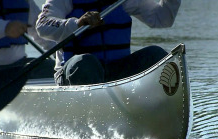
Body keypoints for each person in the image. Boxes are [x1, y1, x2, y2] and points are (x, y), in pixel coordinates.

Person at [36, 0, 181, 85]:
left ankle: (157, 108)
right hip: (73, 73)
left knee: (157, 56)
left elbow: (162, 18)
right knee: (86, 63)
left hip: (116, 73)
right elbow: (42, 26)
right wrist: (78, 23)